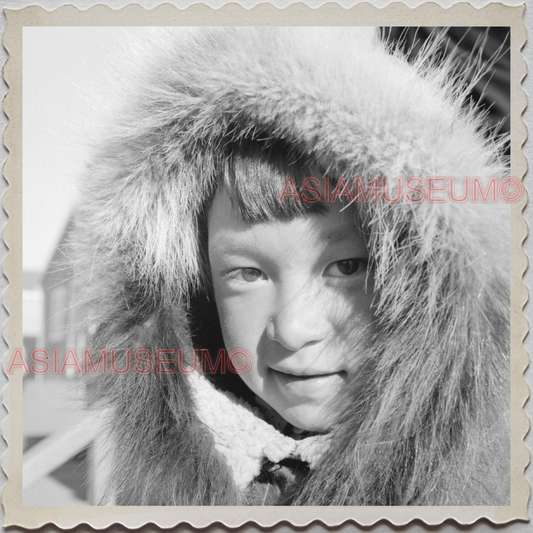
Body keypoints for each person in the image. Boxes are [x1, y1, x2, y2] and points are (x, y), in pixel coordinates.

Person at [75, 27, 510, 506]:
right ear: (194, 296)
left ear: (425, 283)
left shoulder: (492, 486)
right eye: (248, 273)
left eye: (346, 266)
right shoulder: (165, 489)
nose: (293, 328)